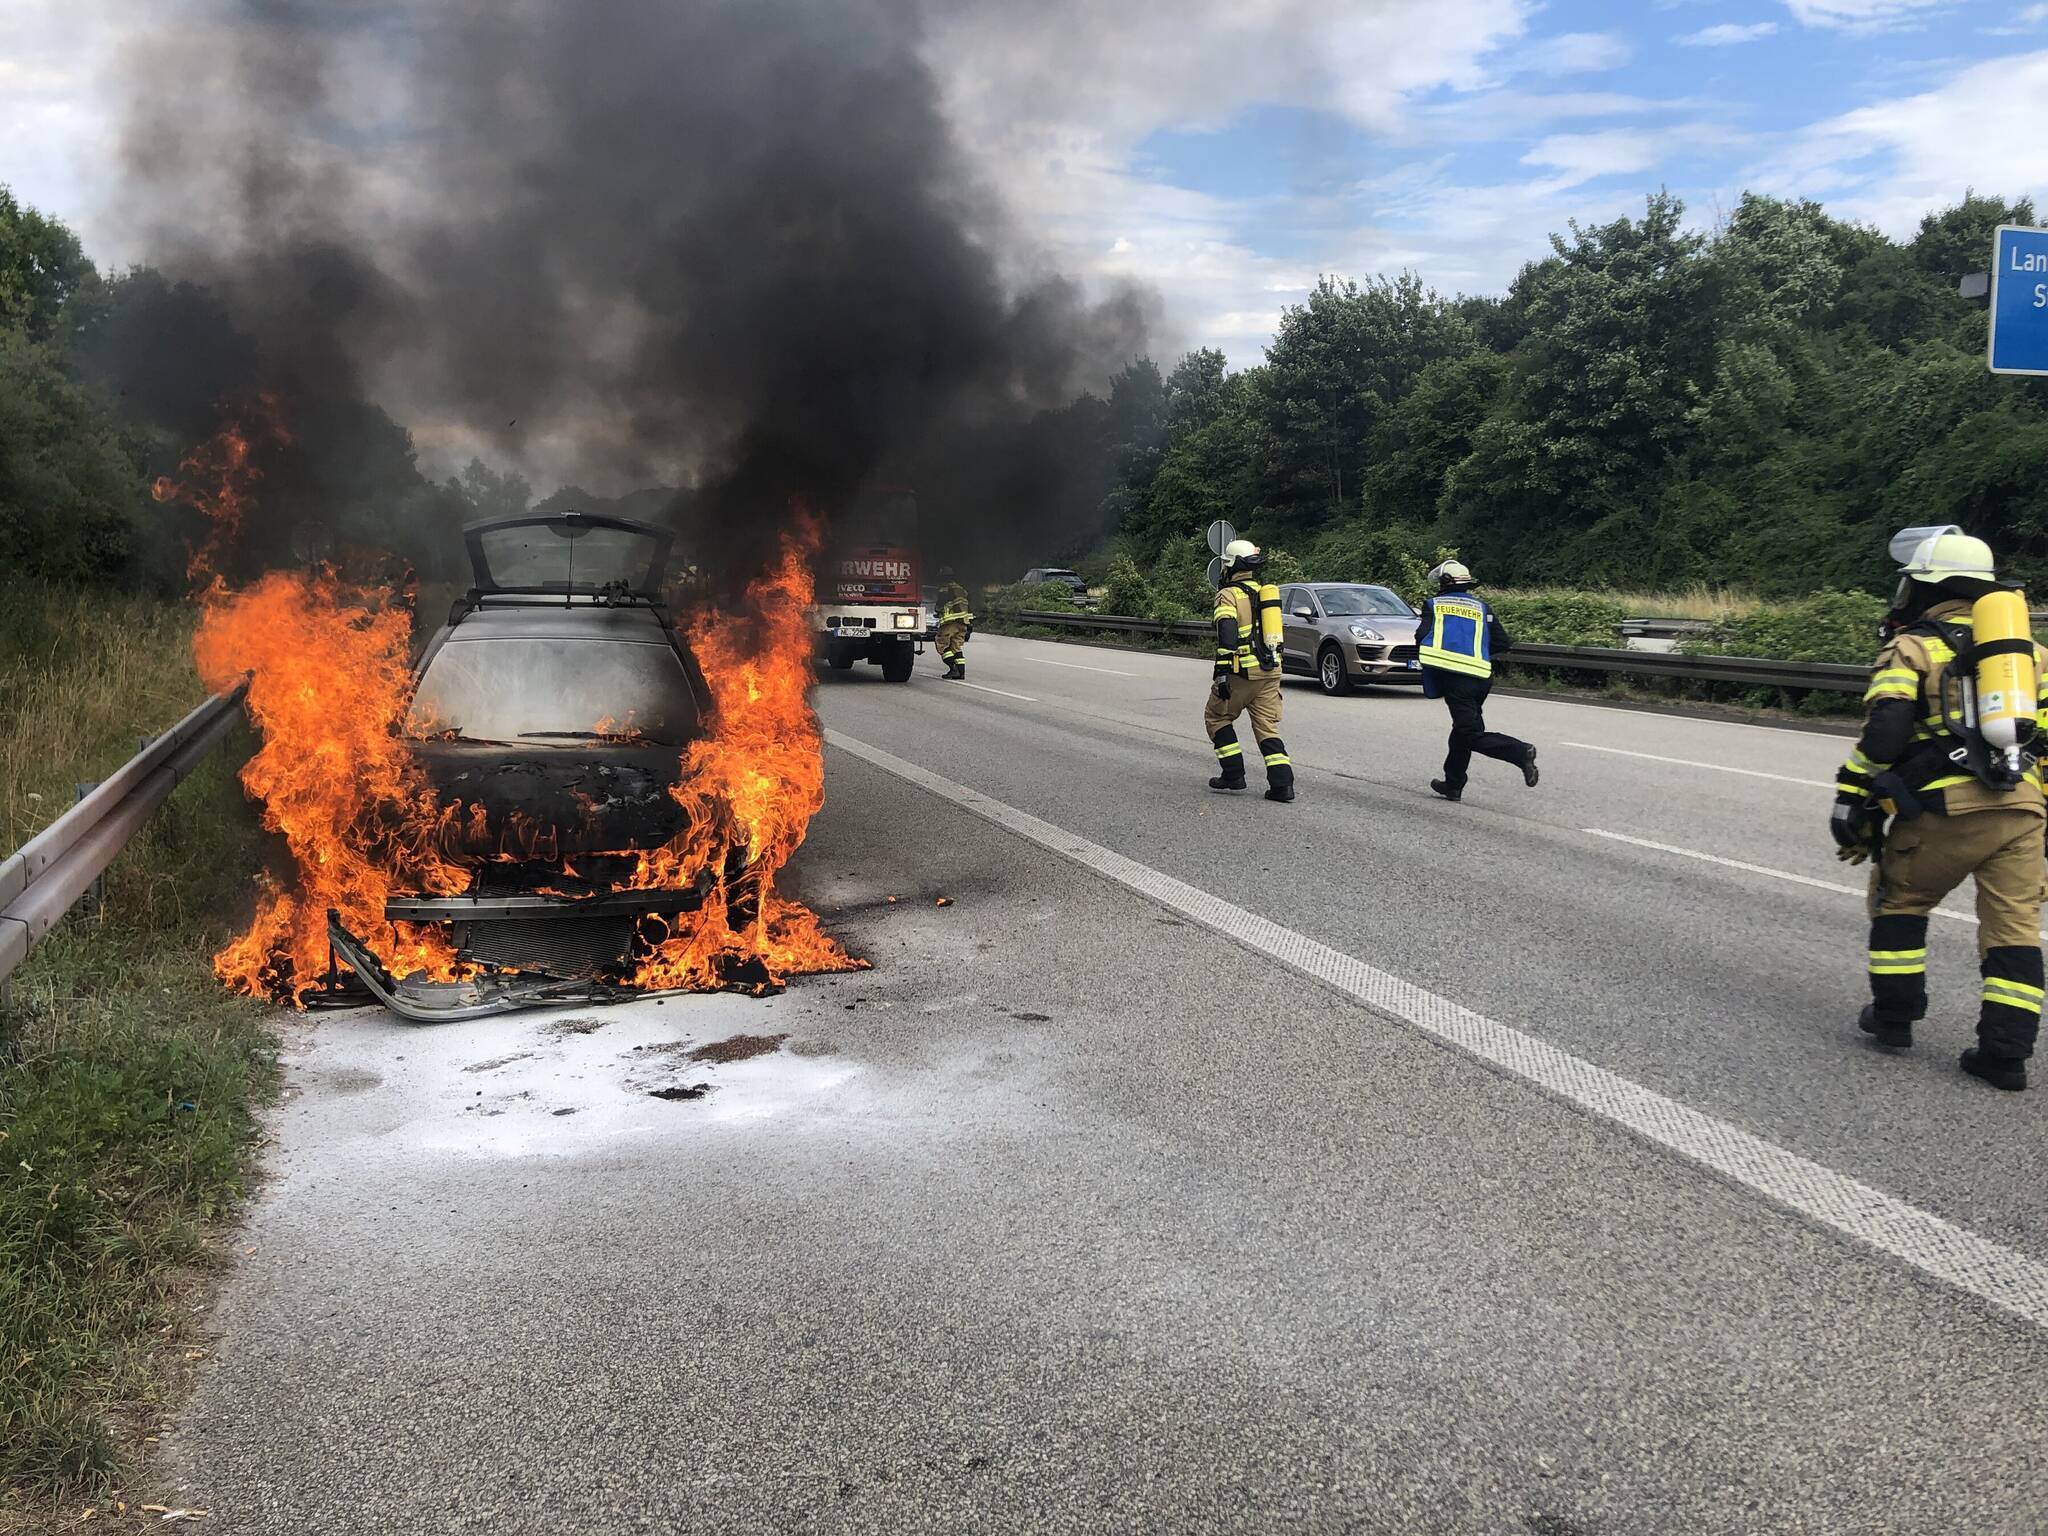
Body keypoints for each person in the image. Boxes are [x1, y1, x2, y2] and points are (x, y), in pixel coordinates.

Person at [1831, 529, 2045, 1092]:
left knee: (1901, 899)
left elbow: (1888, 729)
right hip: (2025, 810)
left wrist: (1850, 793)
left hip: (1946, 808)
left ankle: (1895, 1019)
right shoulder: (2031, 658)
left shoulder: (1916, 647)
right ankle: (2005, 1054)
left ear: (1929, 589)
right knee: (2014, 928)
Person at [1413, 560, 1537, 802]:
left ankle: (1520, 752)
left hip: (1454, 678)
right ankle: (1453, 784)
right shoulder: (1482, 608)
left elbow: (1421, 636)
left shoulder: (1434, 605)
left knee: (1469, 733)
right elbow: (1502, 642)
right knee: (1462, 730)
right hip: (1481, 678)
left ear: (1445, 583)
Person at [1205, 539, 1295, 803]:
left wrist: (1222, 671)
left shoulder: (1228, 595)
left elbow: (1228, 634)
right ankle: (1282, 786)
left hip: (1241, 672)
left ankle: (1233, 775)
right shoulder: (1264, 592)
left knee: (1217, 717)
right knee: (1267, 728)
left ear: (1231, 565)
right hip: (1271, 671)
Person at [934, 568, 973, 680]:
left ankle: (953, 669)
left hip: (950, 622)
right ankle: (961, 673)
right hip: (963, 622)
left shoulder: (945, 587)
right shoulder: (961, 589)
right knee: (956, 647)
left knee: (942, 645)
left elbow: (941, 601)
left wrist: (937, 610)